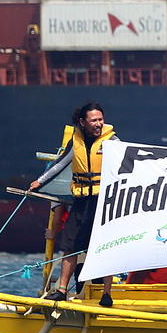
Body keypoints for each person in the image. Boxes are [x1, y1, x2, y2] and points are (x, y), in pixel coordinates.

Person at [29, 101, 117, 307]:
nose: (98, 124)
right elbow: (60, 163)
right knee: (69, 245)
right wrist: (40, 181)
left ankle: (107, 293)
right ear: (82, 122)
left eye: (101, 120)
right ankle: (61, 290)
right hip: (81, 200)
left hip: (103, 201)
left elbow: (128, 162)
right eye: (94, 120)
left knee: (103, 246)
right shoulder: (76, 142)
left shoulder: (112, 141)